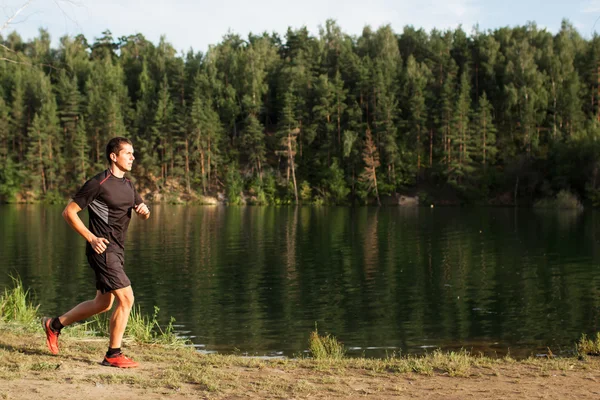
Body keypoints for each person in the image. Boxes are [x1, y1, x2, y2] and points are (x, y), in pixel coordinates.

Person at [42, 137, 150, 368]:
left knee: (102, 303)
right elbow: (69, 212)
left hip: (118, 251)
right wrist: (91, 238)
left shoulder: (129, 185)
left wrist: (144, 211)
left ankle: (54, 325)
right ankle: (113, 354)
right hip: (102, 250)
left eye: (133, 153)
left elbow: (143, 211)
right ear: (113, 156)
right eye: (128, 153)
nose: (133, 157)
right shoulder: (98, 183)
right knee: (127, 298)